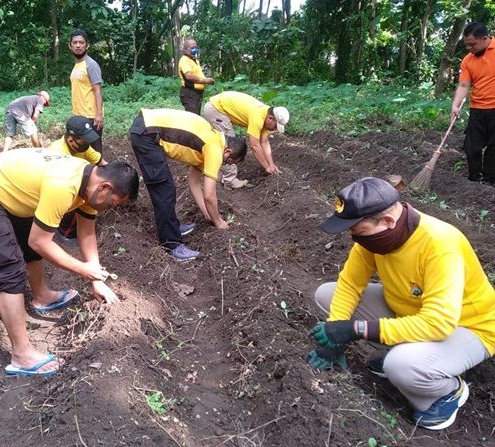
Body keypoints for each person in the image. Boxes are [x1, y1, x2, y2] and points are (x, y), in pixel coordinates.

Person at [307, 177, 495, 430]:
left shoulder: (440, 243)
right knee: (327, 294)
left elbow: (438, 324)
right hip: (412, 310)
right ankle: (404, 351)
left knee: (402, 366)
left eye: (357, 231)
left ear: (387, 221)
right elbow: (350, 284)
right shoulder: (373, 238)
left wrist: (354, 330)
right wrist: (335, 334)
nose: (354, 238)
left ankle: (448, 391)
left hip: (469, 327)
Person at [0, 150, 139, 377]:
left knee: (28, 241)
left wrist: (97, 279)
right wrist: (83, 270)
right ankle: (21, 355)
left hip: (8, 190)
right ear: (105, 188)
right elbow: (40, 242)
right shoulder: (63, 185)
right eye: (113, 203)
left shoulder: (89, 183)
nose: (111, 208)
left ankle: (41, 296)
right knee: (8, 267)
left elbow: (87, 232)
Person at [129, 108, 247, 261]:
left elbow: (194, 183)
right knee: (164, 189)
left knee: (167, 188)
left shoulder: (212, 140)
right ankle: (172, 245)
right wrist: (218, 222)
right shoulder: (215, 148)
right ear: (228, 151)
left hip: (147, 126)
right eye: (228, 162)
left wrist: (206, 213)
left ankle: (173, 228)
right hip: (147, 133)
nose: (224, 165)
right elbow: (209, 195)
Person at [203, 91, 289, 188]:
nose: (275, 129)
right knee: (230, 145)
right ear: (270, 118)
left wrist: (271, 165)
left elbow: (264, 142)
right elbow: (255, 146)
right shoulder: (258, 116)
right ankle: (230, 180)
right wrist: (267, 167)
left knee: (225, 143)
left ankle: (221, 173)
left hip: (218, 107)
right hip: (216, 109)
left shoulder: (266, 116)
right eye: (275, 126)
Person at [50, 116, 109, 246]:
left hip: (69, 182)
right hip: (56, 187)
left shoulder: (83, 147)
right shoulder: (57, 153)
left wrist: (113, 177)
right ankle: (65, 231)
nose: (87, 145)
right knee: (83, 196)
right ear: (71, 139)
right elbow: (60, 186)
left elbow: (101, 163)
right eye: (84, 141)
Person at [451, 22, 495, 186]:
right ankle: (474, 180)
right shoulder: (468, 60)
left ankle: (490, 181)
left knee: (493, 147)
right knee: (471, 147)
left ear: (484, 39)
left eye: (472, 44)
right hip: (477, 108)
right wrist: (455, 105)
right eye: (467, 44)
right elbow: (463, 85)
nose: (469, 48)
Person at [69, 29, 104, 153]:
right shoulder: (76, 65)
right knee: (80, 151)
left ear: (87, 45)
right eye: (75, 42)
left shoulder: (91, 65)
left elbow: (97, 90)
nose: (78, 45)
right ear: (70, 46)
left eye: (81, 42)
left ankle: (100, 172)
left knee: (95, 153)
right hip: (78, 116)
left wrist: (99, 114)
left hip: (91, 117)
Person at [178, 37, 214, 115]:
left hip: (196, 94)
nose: (194, 49)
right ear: (185, 49)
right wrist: (205, 80)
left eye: (195, 47)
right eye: (192, 47)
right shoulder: (184, 60)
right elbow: (189, 76)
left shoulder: (193, 60)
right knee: (193, 118)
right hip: (189, 93)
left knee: (195, 116)